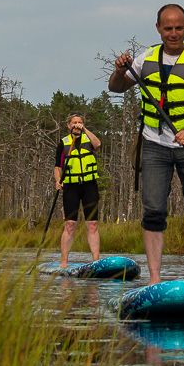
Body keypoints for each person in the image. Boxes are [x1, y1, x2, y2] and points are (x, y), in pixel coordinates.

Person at [109, 4, 184, 284]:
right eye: (168, 28)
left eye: (179, 27)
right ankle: (154, 278)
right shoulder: (145, 60)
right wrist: (120, 71)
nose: (173, 33)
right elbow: (116, 87)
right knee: (154, 211)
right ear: (158, 28)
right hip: (154, 144)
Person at [53, 112, 101, 268]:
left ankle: (95, 261)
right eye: (74, 122)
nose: (77, 125)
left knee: (92, 224)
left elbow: (98, 144)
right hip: (71, 187)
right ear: (68, 125)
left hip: (89, 185)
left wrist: (85, 129)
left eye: (79, 122)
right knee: (70, 224)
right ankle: (64, 262)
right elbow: (57, 166)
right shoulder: (63, 143)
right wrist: (57, 181)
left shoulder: (89, 139)